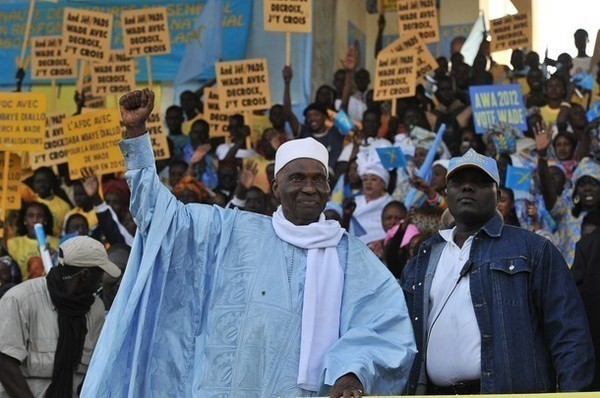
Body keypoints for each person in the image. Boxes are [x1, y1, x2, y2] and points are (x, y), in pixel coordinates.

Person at [81, 89, 416, 398]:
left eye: (319, 180)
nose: (309, 188)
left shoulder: (350, 256)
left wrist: (354, 372)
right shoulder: (230, 230)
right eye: (297, 178)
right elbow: (161, 215)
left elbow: (385, 324)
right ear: (275, 187)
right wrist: (138, 135)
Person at [401, 148, 594, 394]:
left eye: (480, 181)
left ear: (498, 194)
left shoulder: (533, 250)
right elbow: (399, 338)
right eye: (458, 181)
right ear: (446, 192)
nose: (467, 187)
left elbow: (569, 334)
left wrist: (572, 393)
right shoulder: (423, 257)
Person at [0, 236, 121, 397]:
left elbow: (96, 367)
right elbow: (5, 363)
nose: (100, 282)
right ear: (84, 274)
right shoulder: (20, 299)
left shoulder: (95, 308)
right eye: (99, 275)